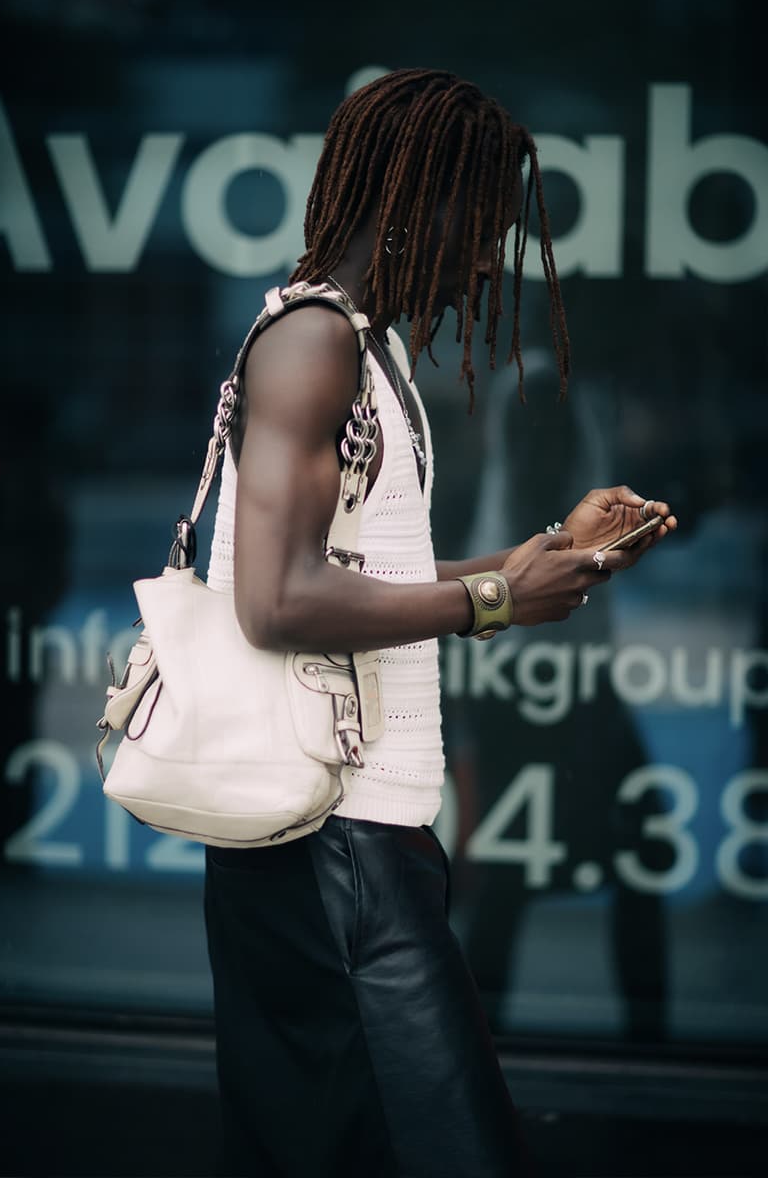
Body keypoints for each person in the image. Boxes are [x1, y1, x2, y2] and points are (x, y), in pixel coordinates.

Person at [203, 68, 676, 1178]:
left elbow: (362, 572)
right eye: (487, 228)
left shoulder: (371, 356)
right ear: (417, 202)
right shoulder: (311, 343)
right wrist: (493, 601)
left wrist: (531, 560)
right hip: (329, 849)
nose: (489, 261)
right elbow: (274, 600)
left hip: (356, 847)